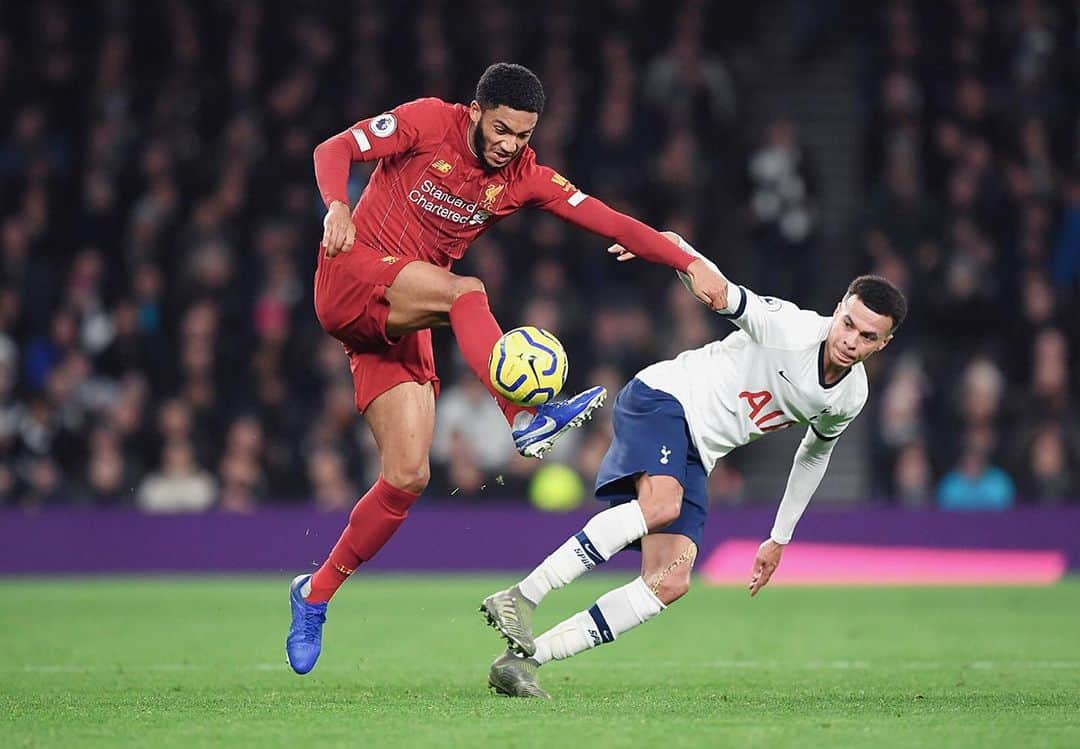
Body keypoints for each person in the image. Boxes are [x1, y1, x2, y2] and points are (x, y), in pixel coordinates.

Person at [286, 64, 728, 675]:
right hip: (351, 272)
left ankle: (313, 595)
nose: (510, 145)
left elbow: (609, 220)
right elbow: (333, 147)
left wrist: (685, 259)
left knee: (408, 477)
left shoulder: (523, 176)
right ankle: (523, 415)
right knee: (468, 290)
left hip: (400, 315)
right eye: (500, 130)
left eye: (522, 135)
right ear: (474, 111)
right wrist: (337, 205)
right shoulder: (425, 121)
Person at [480, 232, 907, 697]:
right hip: (664, 398)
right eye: (848, 323)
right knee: (663, 505)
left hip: (697, 450)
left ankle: (524, 661)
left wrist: (779, 537)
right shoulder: (790, 328)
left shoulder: (851, 395)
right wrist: (669, 246)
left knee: (671, 579)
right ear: (839, 306)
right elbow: (719, 290)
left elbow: (814, 454)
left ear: (882, 344)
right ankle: (522, 596)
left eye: (867, 336)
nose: (850, 340)